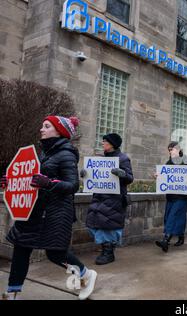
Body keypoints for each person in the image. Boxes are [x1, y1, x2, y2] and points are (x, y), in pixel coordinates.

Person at [1, 115, 96, 300]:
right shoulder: (43, 153)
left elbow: (72, 185)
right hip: (33, 211)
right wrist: (10, 180)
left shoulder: (66, 154)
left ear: (59, 131)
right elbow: (29, 177)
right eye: (42, 125)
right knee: (21, 249)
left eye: (46, 126)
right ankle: (12, 293)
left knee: (55, 253)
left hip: (56, 212)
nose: (41, 129)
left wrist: (49, 183)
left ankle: (85, 274)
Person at [83, 133, 134, 265]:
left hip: (114, 198)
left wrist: (122, 174)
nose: (102, 143)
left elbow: (129, 178)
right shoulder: (101, 159)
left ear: (112, 144)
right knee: (94, 223)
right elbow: (94, 175)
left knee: (108, 225)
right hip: (99, 196)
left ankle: (108, 252)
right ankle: (106, 248)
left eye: (105, 141)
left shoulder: (123, 159)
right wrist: (85, 174)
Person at [154, 141, 187, 252]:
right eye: (169, 150)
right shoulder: (168, 163)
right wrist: (158, 176)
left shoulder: (186, 161)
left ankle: (166, 239)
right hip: (171, 195)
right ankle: (181, 236)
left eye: (172, 149)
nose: (170, 151)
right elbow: (164, 177)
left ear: (178, 149)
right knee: (170, 216)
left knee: (173, 216)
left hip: (182, 195)